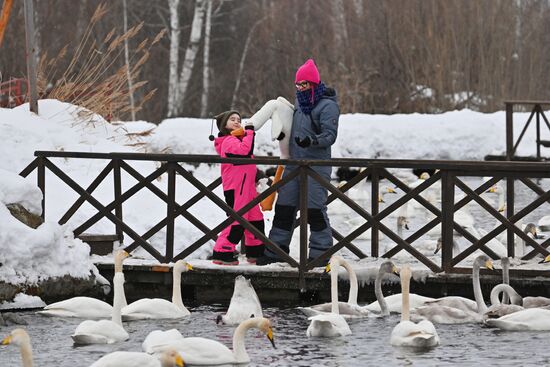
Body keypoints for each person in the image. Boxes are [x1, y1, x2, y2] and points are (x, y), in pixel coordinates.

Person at [256, 59, 339, 266]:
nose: (301, 88)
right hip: (294, 164)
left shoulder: (328, 106)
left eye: (304, 84)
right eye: (298, 84)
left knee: (314, 209)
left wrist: (312, 140)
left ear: (314, 84)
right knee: (284, 207)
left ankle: (320, 253)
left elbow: (330, 135)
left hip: (317, 165)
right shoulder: (299, 104)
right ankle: (276, 250)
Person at [211, 110, 265, 265]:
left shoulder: (237, 140)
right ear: (224, 125)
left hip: (247, 188)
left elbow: (248, 162)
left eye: (238, 120)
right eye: (232, 119)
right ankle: (222, 251)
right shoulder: (229, 140)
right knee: (237, 220)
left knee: (255, 219)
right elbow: (245, 152)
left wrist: (258, 176)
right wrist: (249, 133)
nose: (236, 122)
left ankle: (256, 252)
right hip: (237, 188)